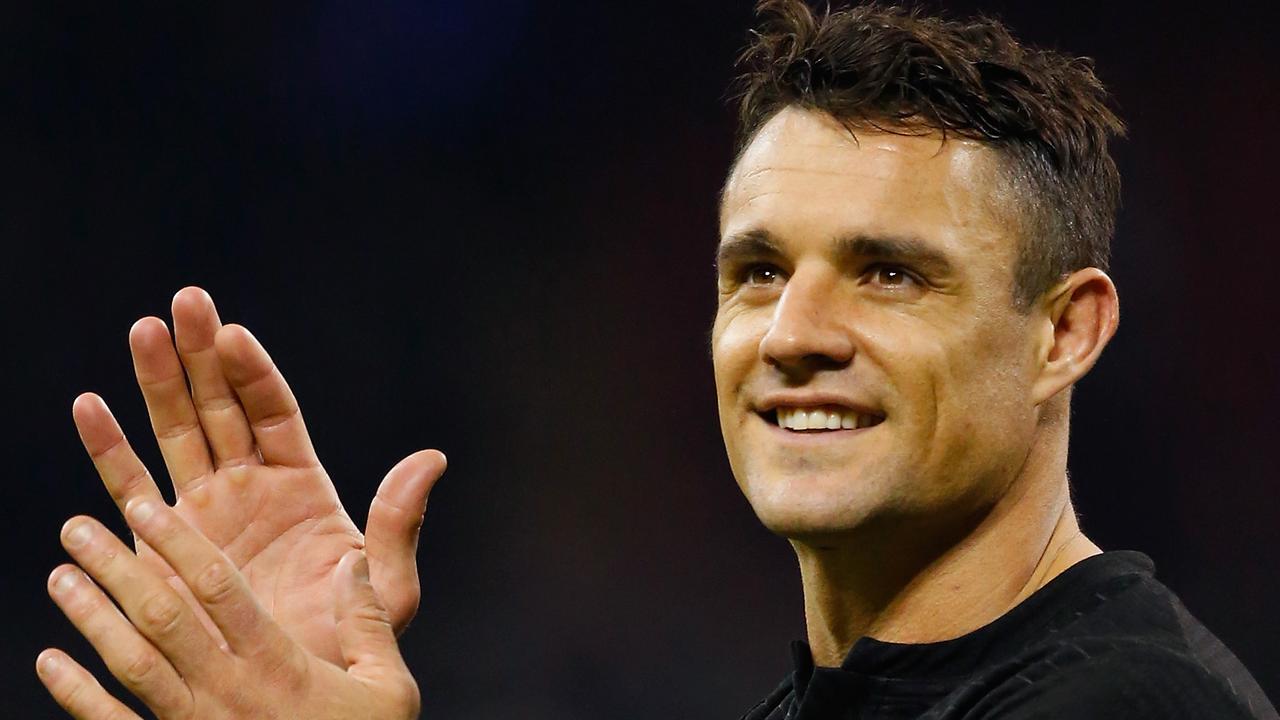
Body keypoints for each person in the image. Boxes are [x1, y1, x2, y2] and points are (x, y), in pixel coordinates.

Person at [36, 2, 1277, 719]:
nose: (792, 332)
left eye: (890, 272)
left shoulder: (1121, 704)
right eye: (756, 271)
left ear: (1063, 332)